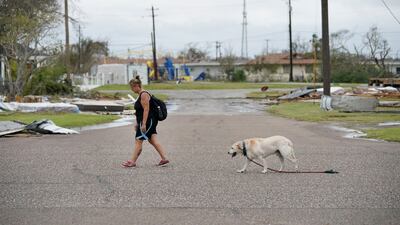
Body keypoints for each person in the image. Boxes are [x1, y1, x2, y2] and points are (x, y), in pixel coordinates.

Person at [122, 76, 169, 167]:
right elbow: (139, 112)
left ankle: (132, 161)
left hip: (148, 122)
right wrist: (137, 123)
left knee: (138, 140)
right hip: (147, 121)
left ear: (136, 86)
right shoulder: (141, 94)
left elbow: (146, 110)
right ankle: (164, 158)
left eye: (132, 87)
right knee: (153, 140)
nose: (132, 89)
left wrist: (143, 124)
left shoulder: (144, 94)